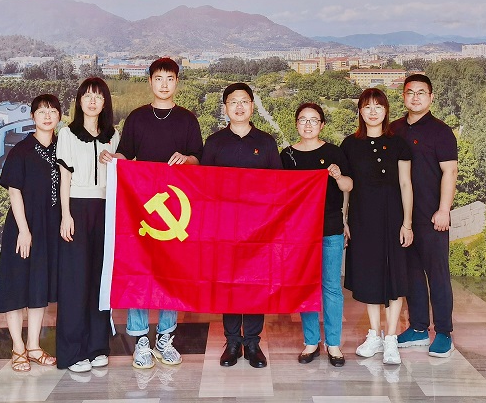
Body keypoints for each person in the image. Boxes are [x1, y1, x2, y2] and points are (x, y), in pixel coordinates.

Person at [100, 57, 203, 369]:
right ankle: (141, 340)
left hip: (178, 209)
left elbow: (199, 159)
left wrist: (187, 159)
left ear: (177, 82)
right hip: (141, 209)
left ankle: (165, 338)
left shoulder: (187, 119)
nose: (164, 84)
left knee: (172, 273)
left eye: (170, 78)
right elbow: (126, 155)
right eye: (159, 78)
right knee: (140, 271)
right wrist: (112, 158)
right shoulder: (137, 118)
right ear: (150, 81)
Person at [201, 82, 282, 369]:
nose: (239, 106)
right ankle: (233, 341)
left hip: (259, 228)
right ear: (225, 107)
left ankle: (253, 343)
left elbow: (279, 184)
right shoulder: (214, 142)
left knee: (255, 283)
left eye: (244, 101)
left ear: (252, 106)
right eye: (233, 101)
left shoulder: (266, 142)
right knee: (230, 283)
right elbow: (203, 185)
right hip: (225, 227)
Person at [0, 94, 63, 372]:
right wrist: (23, 230)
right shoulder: (21, 150)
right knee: (16, 285)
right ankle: (18, 347)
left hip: (49, 228)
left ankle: (33, 346)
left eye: (52, 111)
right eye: (42, 111)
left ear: (59, 116)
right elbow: (14, 191)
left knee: (38, 287)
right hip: (23, 228)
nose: (47, 116)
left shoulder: (62, 148)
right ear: (32, 117)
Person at [341, 87, 413, 366]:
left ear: (386, 110)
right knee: (370, 276)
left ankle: (391, 338)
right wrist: (344, 219)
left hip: (393, 218)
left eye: (378, 106)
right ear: (360, 111)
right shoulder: (349, 145)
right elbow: (346, 188)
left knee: (394, 276)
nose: (373, 112)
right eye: (367, 107)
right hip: (363, 219)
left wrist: (407, 223)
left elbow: (406, 184)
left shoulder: (398, 144)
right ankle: (375, 335)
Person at [391, 73, 459, 358]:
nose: (415, 97)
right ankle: (418, 327)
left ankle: (443, 332)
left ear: (431, 97)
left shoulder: (441, 132)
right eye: (410, 92)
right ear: (403, 97)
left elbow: (450, 171)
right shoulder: (394, 129)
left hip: (432, 217)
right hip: (402, 218)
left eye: (421, 92)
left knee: (438, 274)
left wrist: (444, 210)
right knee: (412, 274)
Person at [280, 102, 352, 367]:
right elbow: (280, 193)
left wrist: (338, 176)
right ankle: (311, 341)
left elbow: (348, 185)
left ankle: (333, 344)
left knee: (331, 287)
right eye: (303, 119)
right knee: (305, 286)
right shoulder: (287, 155)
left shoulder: (334, 152)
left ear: (322, 125)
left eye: (313, 120)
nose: (308, 124)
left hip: (330, 228)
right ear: (296, 124)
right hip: (299, 232)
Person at [55, 77, 117, 372]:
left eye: (98, 96)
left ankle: (97, 346)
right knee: (75, 280)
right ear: (79, 101)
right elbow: (64, 178)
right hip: (77, 208)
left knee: (100, 279)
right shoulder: (67, 134)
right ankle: (73, 351)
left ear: (105, 102)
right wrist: (66, 215)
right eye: (87, 96)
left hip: (105, 209)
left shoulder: (113, 135)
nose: (93, 101)